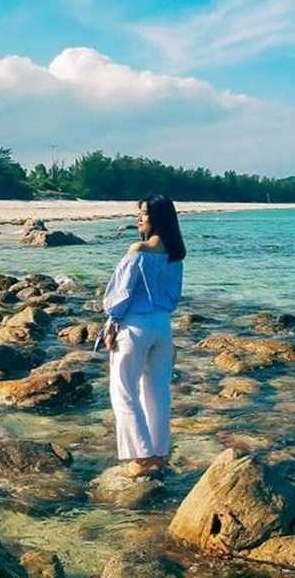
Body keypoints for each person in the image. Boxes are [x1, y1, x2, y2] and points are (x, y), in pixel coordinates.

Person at [98, 195, 185, 476]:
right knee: (158, 392)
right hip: (162, 325)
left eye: (144, 214)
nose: (139, 218)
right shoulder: (175, 255)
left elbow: (120, 295)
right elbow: (173, 296)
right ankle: (158, 453)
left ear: (157, 218)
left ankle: (142, 456)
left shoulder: (138, 249)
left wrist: (111, 324)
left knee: (123, 391)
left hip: (135, 326)